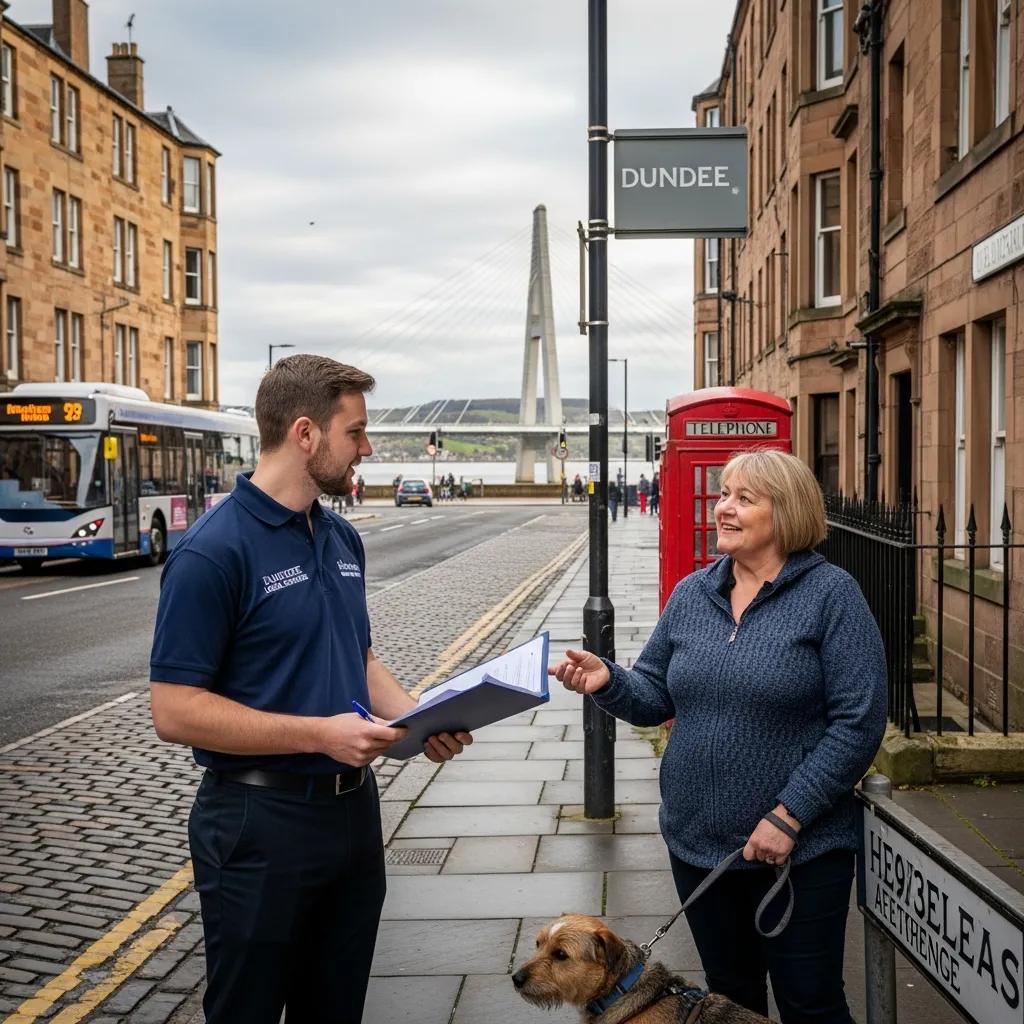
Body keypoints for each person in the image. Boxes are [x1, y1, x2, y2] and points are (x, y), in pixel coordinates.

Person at [149, 355, 473, 1024]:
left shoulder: (341, 537)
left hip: (351, 820)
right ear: (305, 433)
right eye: (355, 433)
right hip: (256, 825)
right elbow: (175, 710)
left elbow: (358, 658)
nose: (367, 448)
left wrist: (422, 717)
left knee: (336, 1010)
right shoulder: (213, 552)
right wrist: (320, 734)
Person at [549, 448, 886, 1024]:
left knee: (811, 1003)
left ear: (787, 512)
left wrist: (789, 815)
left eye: (743, 498)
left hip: (800, 855)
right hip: (698, 845)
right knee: (728, 1000)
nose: (723, 508)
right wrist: (608, 680)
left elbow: (860, 722)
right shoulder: (692, 594)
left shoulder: (832, 596)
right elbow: (654, 696)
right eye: (723, 494)